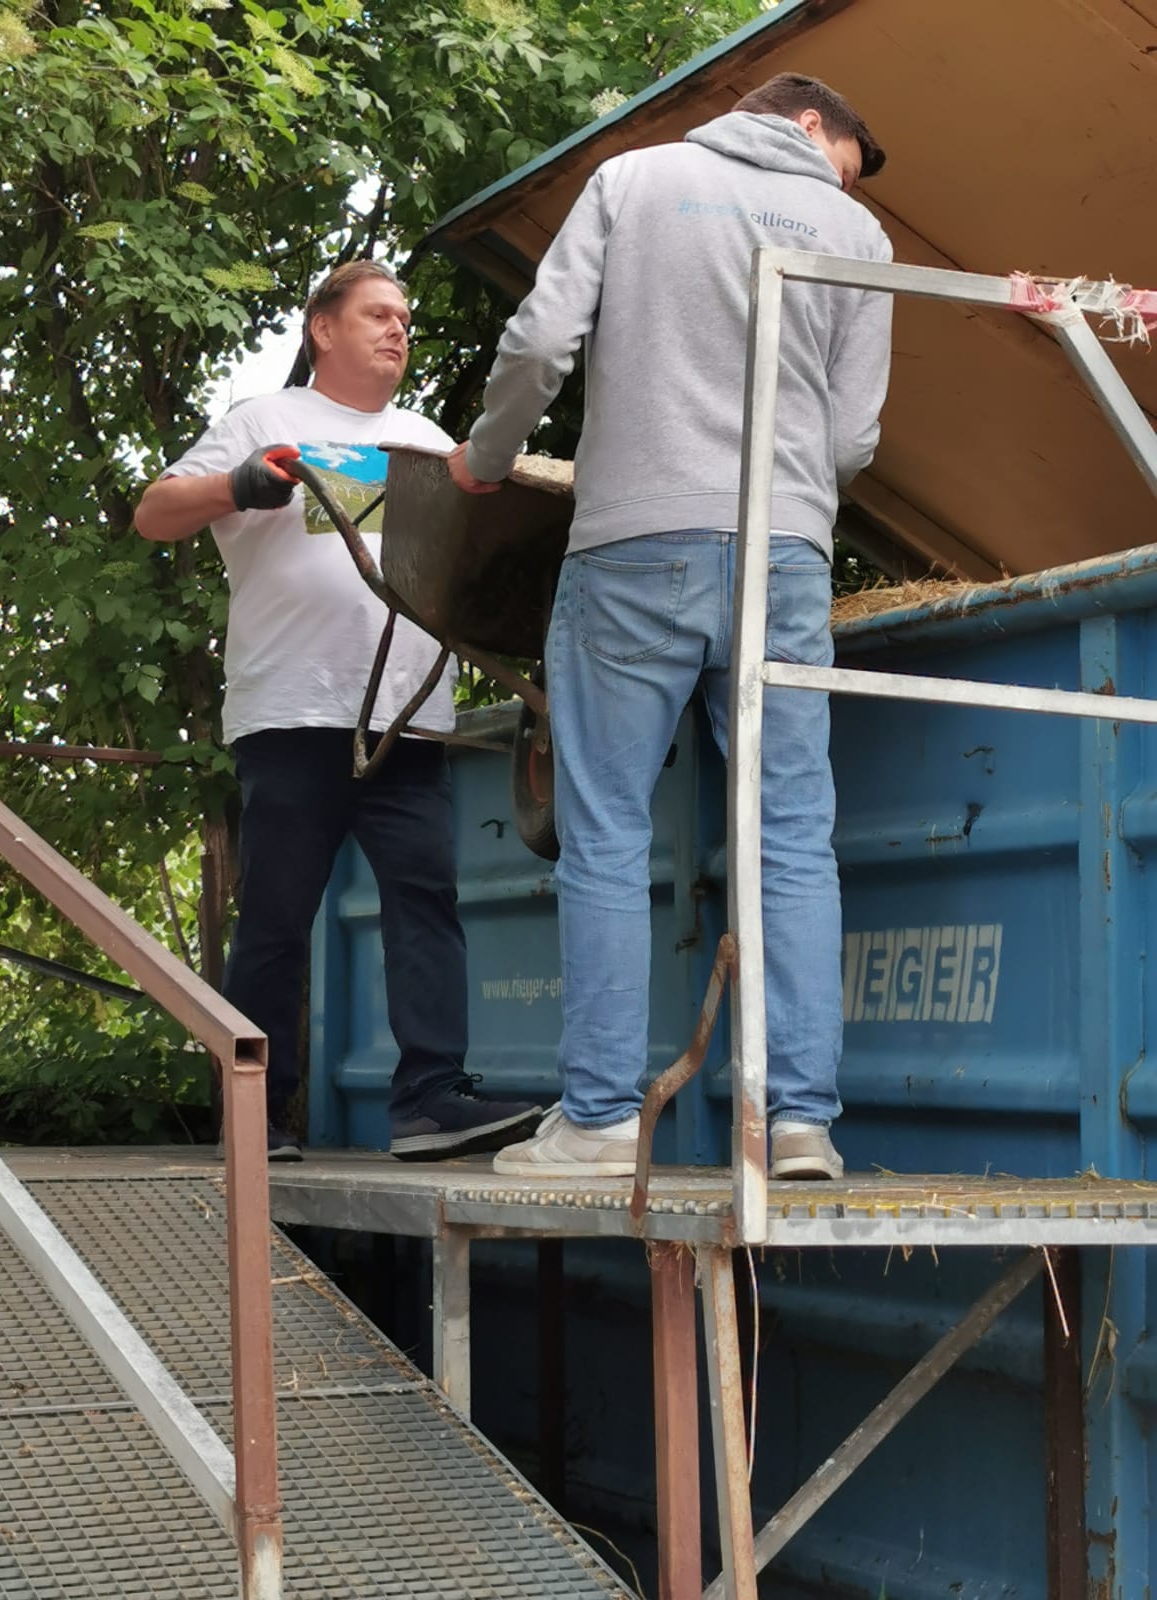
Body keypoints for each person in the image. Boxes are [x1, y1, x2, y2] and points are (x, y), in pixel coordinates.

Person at [448, 73, 893, 1182]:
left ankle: (599, 1123)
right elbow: (854, 441)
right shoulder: (856, 231)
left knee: (604, 829)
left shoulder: (632, 180)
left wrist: (487, 460)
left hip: (633, 544)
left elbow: (541, 340)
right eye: (846, 153)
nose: (842, 181)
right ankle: (800, 1124)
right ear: (807, 121)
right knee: (790, 833)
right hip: (784, 553)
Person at [135, 260, 542, 1162]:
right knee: (278, 916)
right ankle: (252, 1117)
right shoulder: (265, 422)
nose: (399, 331)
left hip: (408, 719)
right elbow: (154, 513)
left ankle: (430, 1101)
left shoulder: (427, 440)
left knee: (426, 903)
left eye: (406, 319)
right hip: (294, 713)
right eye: (378, 315)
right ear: (322, 327)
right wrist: (239, 485)